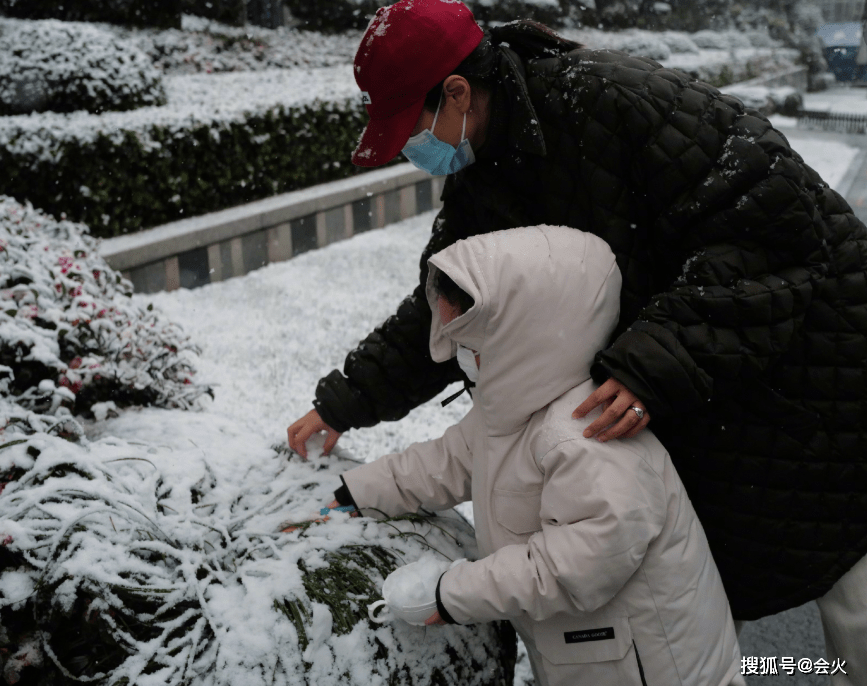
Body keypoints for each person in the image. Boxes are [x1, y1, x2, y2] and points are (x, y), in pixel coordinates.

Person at [287, 0, 867, 677]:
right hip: (699, 414)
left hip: (818, 388)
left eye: (412, 127)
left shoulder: (615, 101)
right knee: (691, 633)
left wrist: (657, 359)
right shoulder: (485, 170)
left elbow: (774, 228)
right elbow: (453, 307)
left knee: (849, 587)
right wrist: (347, 400)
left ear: (456, 92)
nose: (416, 150)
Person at [329, 226, 743, 686]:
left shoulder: (586, 435)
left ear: (521, 337)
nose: (459, 357)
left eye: (468, 342)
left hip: (657, 667)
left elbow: (572, 567)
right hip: (593, 658)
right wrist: (354, 492)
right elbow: (442, 462)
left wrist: (449, 594)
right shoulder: (511, 410)